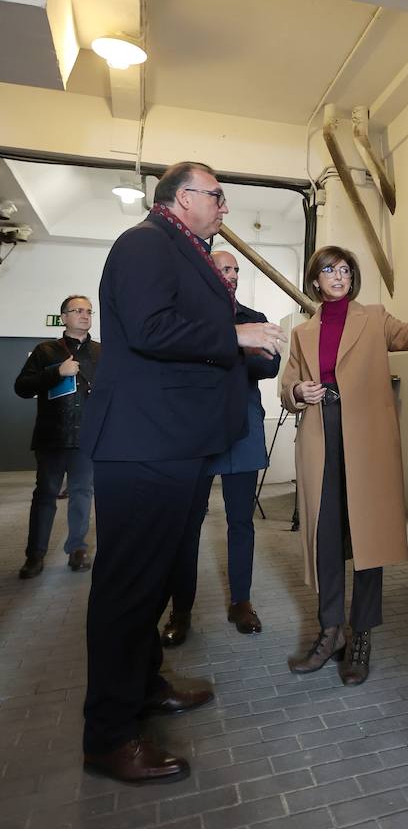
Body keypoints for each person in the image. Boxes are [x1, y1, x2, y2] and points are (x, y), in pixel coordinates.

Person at [80, 161, 285, 785]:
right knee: (127, 588)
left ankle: (144, 688)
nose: (225, 205)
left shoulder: (187, 250)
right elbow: (150, 328)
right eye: (216, 195)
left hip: (175, 443)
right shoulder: (145, 243)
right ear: (180, 197)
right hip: (146, 443)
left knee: (149, 582)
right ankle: (109, 736)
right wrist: (235, 331)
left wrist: (248, 345)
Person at [281, 245, 408, 686]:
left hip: (366, 439)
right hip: (321, 434)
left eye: (345, 270)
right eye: (329, 270)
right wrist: (298, 392)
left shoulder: (375, 317)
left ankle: (360, 637)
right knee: (326, 535)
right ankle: (330, 633)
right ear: (316, 281)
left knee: (367, 538)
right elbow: (287, 382)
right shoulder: (303, 331)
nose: (338, 277)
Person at [161, 249, 279, 644]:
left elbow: (269, 366)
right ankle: (181, 609)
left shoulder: (254, 319)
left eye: (235, 270)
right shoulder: (189, 317)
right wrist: (240, 348)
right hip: (195, 433)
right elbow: (180, 364)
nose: (230, 274)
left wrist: (225, 349)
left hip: (242, 429)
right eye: (223, 268)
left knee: (241, 522)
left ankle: (241, 602)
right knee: (185, 525)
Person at [14, 295, 100, 578]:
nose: (85, 315)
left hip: (87, 439)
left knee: (82, 495)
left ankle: (77, 549)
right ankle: (35, 556)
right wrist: (56, 372)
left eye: (89, 311)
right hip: (52, 436)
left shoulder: (102, 352)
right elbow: (23, 388)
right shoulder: (45, 351)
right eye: (78, 311)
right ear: (63, 317)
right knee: (45, 496)